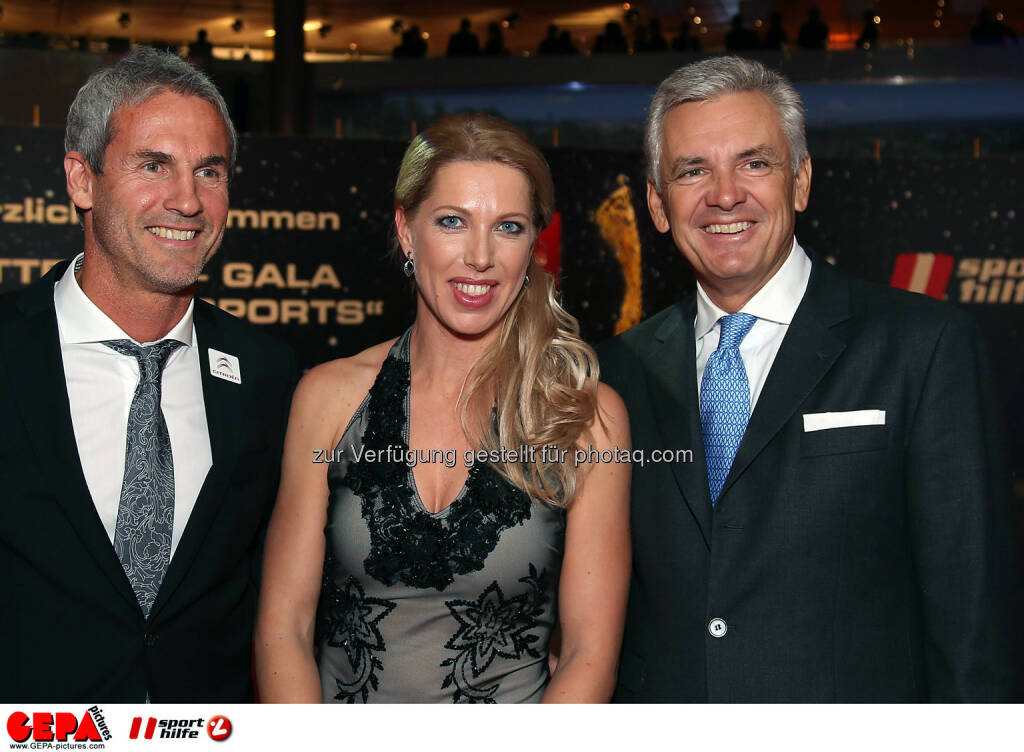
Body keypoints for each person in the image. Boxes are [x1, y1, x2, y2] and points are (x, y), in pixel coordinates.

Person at [598, 56, 1020, 702]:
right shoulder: (617, 372)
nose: (725, 194)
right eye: (692, 171)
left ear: (800, 181)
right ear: (657, 203)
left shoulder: (921, 347)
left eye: (754, 163)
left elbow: (973, 621)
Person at [255, 113, 631, 703]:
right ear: (407, 230)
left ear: (534, 242)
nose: (479, 257)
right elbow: (284, 626)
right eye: (453, 222)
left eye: (508, 227)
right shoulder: (326, 399)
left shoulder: (585, 416)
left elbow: (589, 654)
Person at [0, 46, 297, 702]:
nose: (187, 201)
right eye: (154, 165)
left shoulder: (271, 378)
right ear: (82, 179)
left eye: (210, 172)